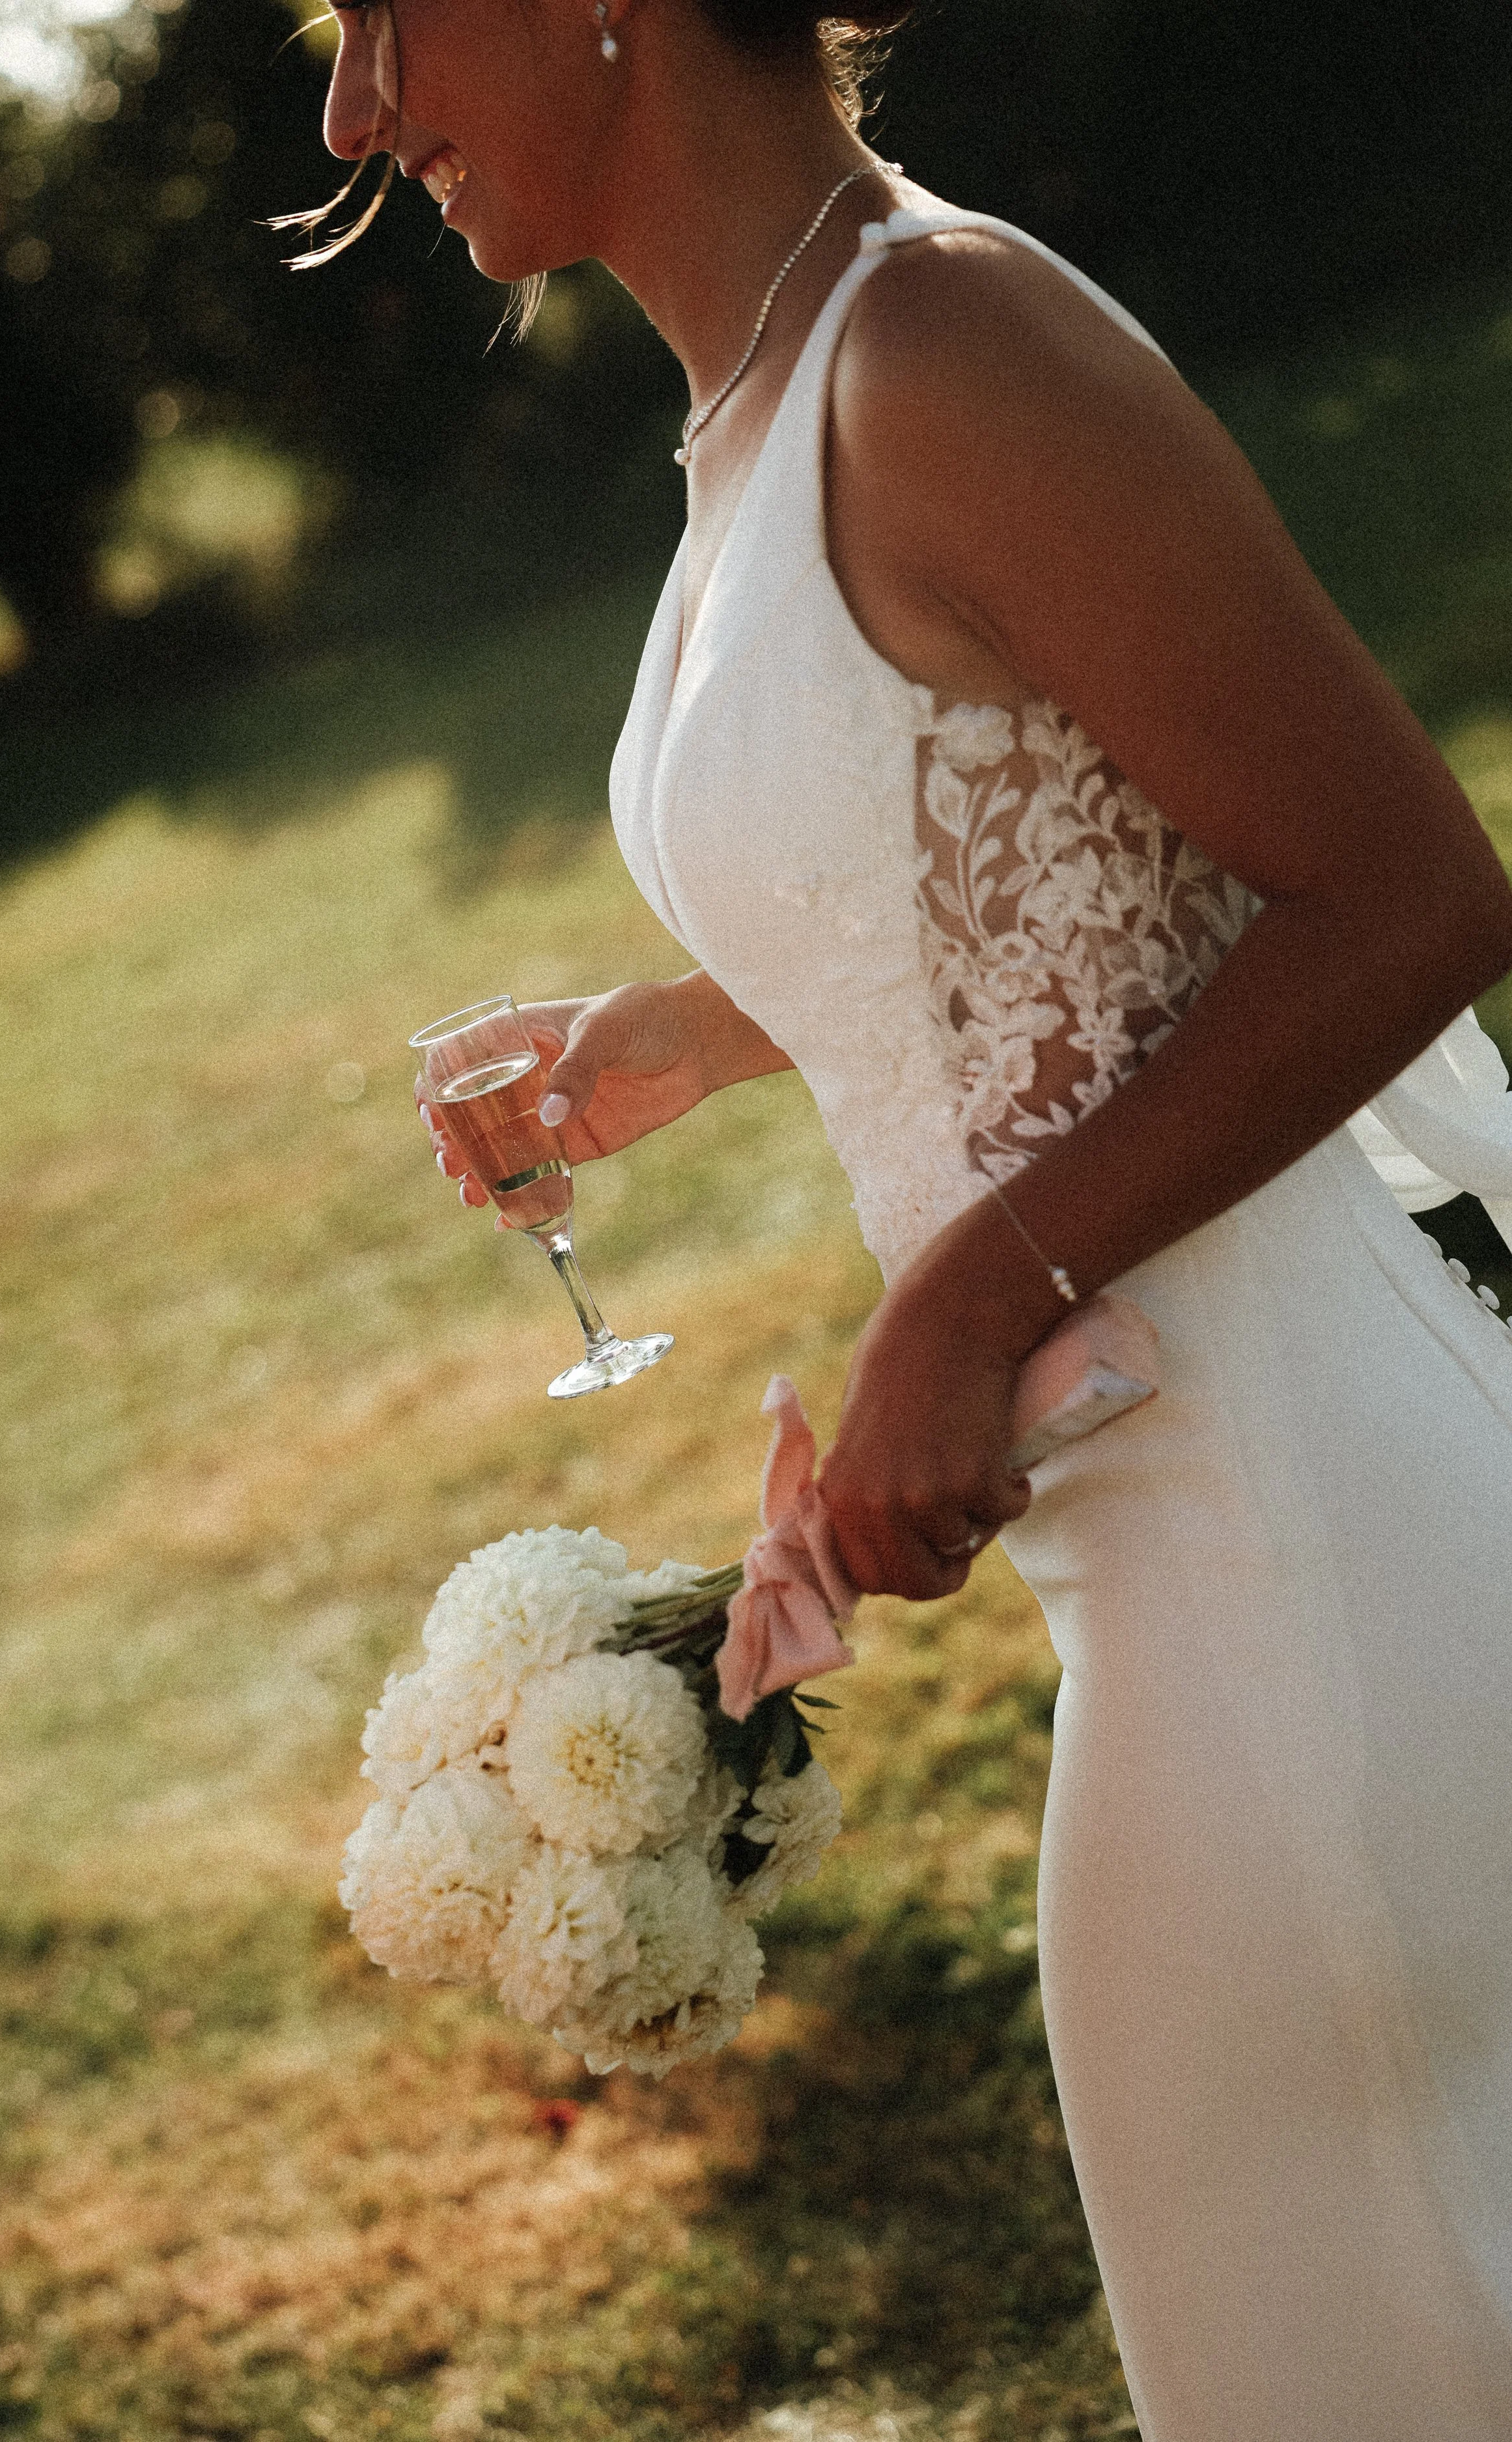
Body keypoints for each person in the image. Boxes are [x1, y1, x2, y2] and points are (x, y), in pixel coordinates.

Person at [322, 3, 1512, 2434]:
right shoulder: (771, 383)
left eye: (380, 12)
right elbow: (1039, 843)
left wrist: (966, 1294)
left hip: (1304, 1547)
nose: (352, 108)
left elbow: (1402, 886)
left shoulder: (945, 337)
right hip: (1186, 1564)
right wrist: (697, 1024)